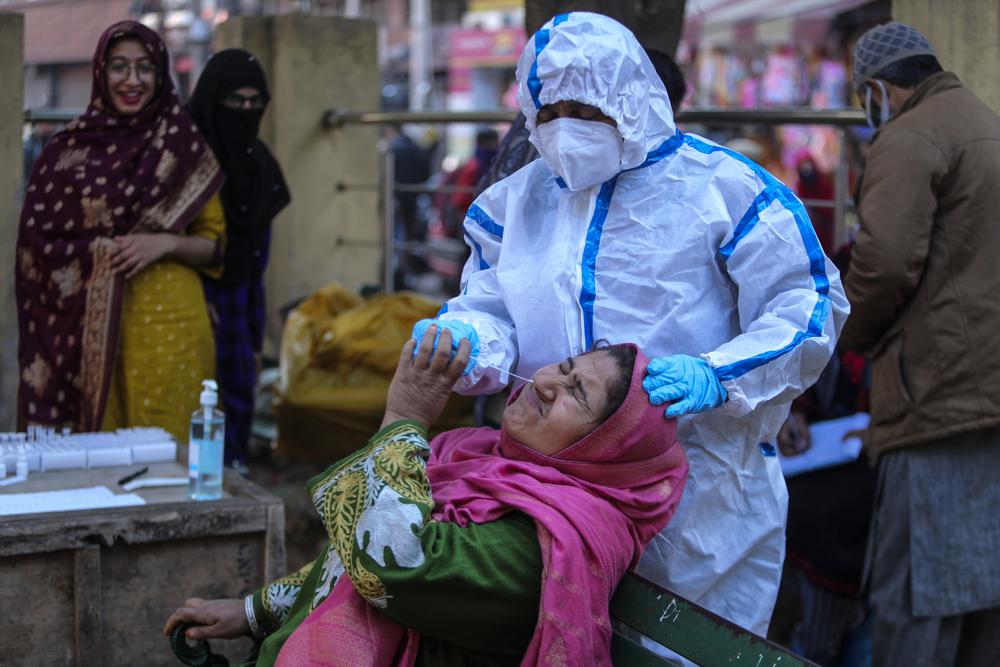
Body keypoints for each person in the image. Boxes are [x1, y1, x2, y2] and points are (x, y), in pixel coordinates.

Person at [414, 12, 849, 636]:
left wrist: (719, 374)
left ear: (632, 99)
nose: (568, 128)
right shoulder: (514, 203)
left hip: (701, 488)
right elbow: (492, 306)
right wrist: (470, 342)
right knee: (566, 635)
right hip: (551, 485)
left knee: (685, 641)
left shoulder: (726, 190)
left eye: (586, 109)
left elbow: (806, 305)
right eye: (551, 110)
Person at [163, 327, 688, 666]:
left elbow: (389, 563)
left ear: (604, 449)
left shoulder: (549, 544)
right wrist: (253, 612)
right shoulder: (477, 458)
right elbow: (351, 556)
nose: (548, 381)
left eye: (577, 393)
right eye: (566, 366)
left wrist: (403, 417)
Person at [843, 21, 1000, 666]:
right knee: (980, 595)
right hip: (983, 391)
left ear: (879, 89)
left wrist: (841, 341)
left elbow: (881, 266)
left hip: (935, 395)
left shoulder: (909, 136)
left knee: (915, 601)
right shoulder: (984, 123)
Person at [15, 21, 224, 440]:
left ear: (160, 74)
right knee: (99, 467)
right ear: (100, 72)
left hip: (171, 327)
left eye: (145, 68)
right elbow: (35, 250)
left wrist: (164, 242)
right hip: (81, 338)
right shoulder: (65, 152)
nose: (133, 80)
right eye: (120, 67)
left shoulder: (183, 144)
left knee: (170, 458)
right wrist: (98, 255)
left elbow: (215, 246)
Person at [187, 49, 291, 467]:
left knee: (239, 383)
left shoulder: (260, 163)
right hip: (194, 291)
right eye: (235, 102)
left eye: (255, 102)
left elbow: (258, 243)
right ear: (214, 100)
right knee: (196, 393)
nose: (246, 112)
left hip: (243, 291)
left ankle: (233, 470)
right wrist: (197, 294)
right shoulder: (187, 160)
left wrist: (252, 311)